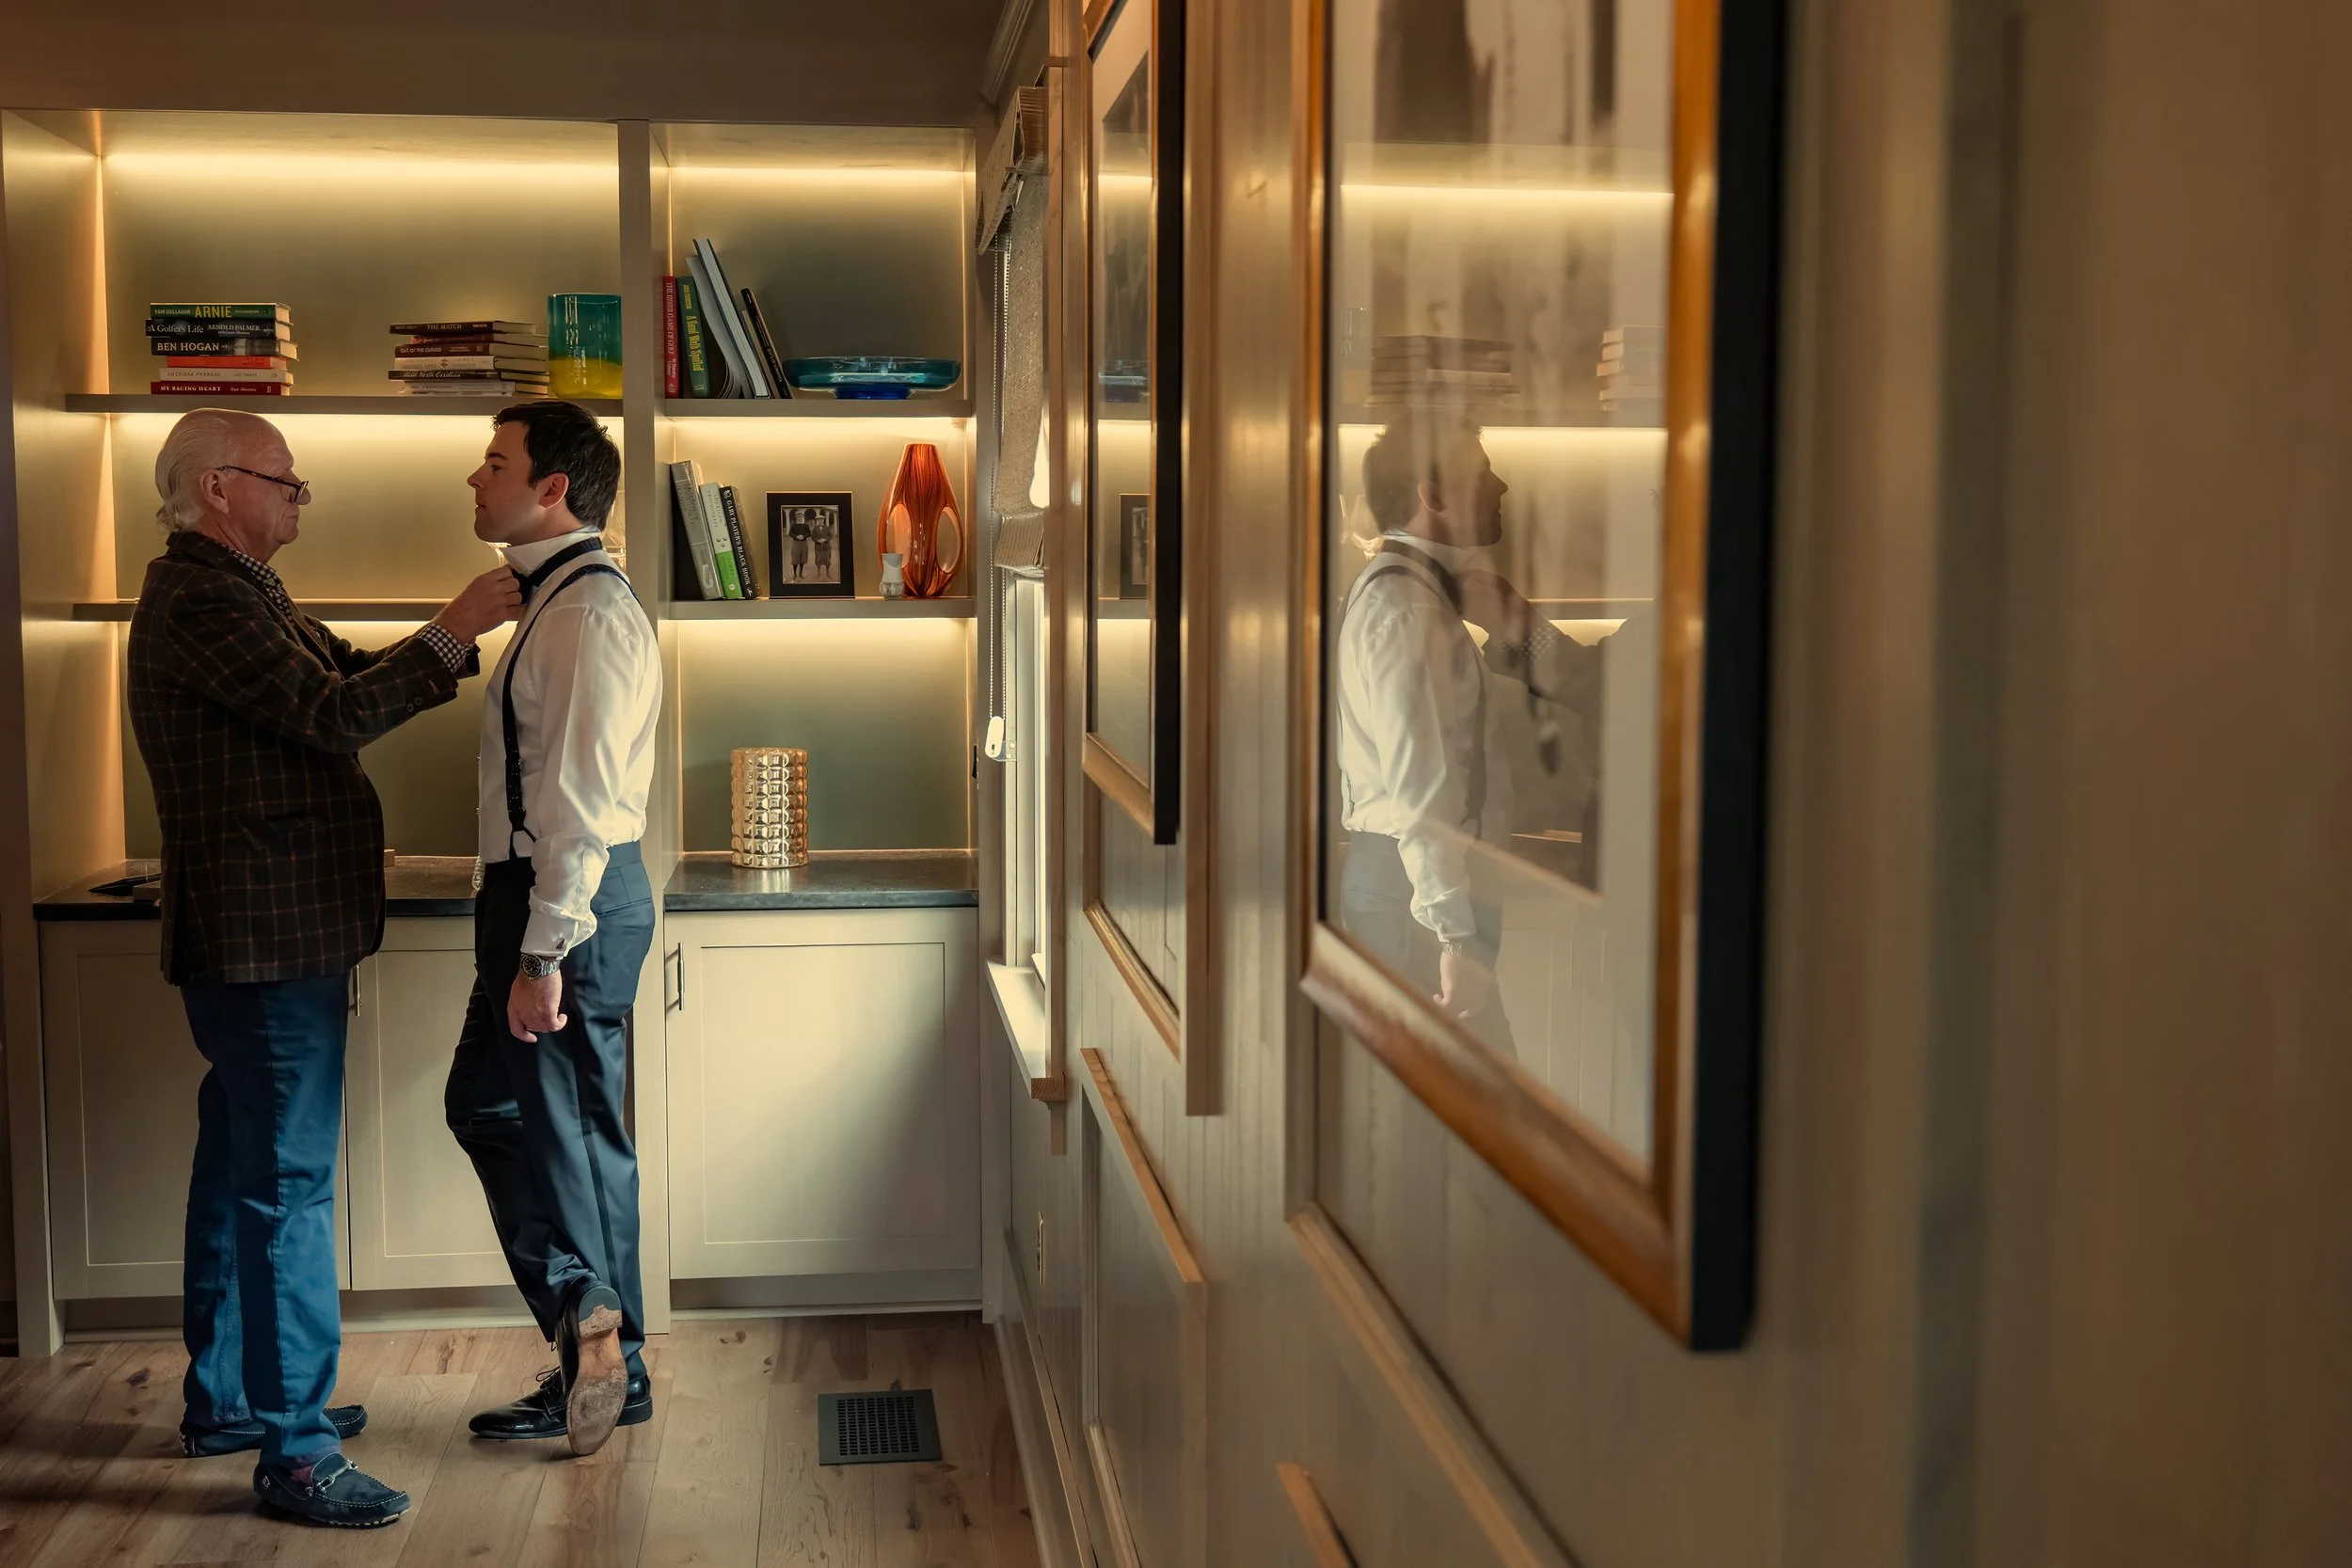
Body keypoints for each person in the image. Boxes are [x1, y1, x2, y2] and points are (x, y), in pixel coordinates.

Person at [125, 408, 519, 1528]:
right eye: (284, 481)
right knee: (286, 1190)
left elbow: (342, 671)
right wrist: (455, 624)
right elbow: (336, 712)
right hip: (264, 942)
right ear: (215, 486)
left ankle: (229, 1401)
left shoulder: (237, 585)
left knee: (239, 1169)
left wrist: (447, 637)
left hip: (271, 936)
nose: (302, 497)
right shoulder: (201, 595)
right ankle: (294, 1451)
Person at [444, 401, 660, 1458]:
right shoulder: (552, 601)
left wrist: (540, 953)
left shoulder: (585, 614)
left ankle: (598, 1342)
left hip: (561, 903)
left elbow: (578, 804)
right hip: (535, 898)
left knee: (572, 1139)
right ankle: (599, 1340)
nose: (472, 478)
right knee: (503, 1111)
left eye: (495, 461)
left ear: (552, 491)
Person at [1332, 415, 1604, 1053]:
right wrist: (1455, 937)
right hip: (1417, 901)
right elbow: (1423, 792)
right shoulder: (1410, 612)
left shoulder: (1411, 597)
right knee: (1461, 1120)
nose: (1503, 486)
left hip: (1419, 892)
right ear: (1433, 494)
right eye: (1482, 475)